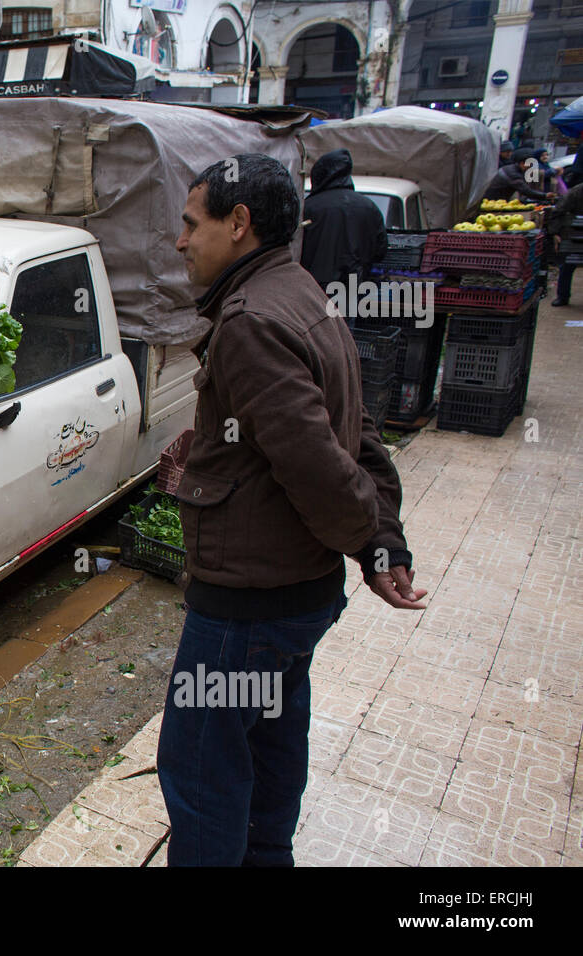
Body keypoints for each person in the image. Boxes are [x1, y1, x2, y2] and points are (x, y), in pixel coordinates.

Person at [158, 153, 425, 867]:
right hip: (297, 596)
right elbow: (358, 428)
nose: (181, 241)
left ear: (238, 223)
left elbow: (318, 465)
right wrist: (383, 546)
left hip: (246, 602)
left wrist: (367, 539)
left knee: (203, 772)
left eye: (191, 224)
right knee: (272, 745)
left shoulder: (249, 319)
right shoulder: (303, 291)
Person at [299, 149, 387, 305]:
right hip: (351, 286)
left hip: (312, 286)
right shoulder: (368, 207)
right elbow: (380, 250)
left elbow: (295, 247)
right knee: (344, 327)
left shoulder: (309, 207)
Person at [547, 181, 583, 306]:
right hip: (575, 232)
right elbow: (558, 211)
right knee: (567, 264)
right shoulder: (576, 192)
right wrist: (555, 232)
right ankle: (562, 296)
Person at [483, 148, 556, 203]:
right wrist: (545, 196)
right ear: (522, 163)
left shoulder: (511, 168)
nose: (530, 168)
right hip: (493, 201)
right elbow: (526, 190)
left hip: (496, 200)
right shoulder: (513, 174)